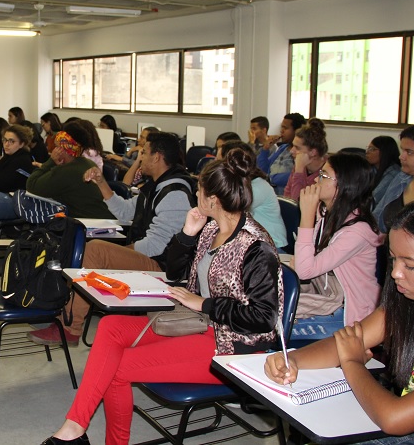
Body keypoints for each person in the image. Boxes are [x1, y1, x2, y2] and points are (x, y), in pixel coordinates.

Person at [41, 148, 284, 445]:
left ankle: (83, 435)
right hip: (199, 325)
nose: (194, 193)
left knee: (117, 369)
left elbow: (263, 319)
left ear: (213, 200)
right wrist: (187, 234)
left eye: (199, 190)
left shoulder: (257, 247)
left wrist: (204, 303)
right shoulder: (210, 228)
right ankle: (75, 427)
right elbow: (174, 274)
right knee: (110, 327)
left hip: (233, 348)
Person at [265, 196, 414, 444]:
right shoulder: (407, 305)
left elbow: (394, 419)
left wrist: (353, 363)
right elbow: (348, 341)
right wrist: (291, 359)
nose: (395, 273)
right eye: (393, 259)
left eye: (410, 266)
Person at [27, 132, 196, 346]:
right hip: (151, 257)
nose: (140, 157)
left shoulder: (175, 193)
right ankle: (64, 317)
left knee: (96, 250)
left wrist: (122, 251)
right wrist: (101, 182)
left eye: (144, 152)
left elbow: (156, 245)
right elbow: (126, 212)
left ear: (157, 157)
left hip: (164, 268)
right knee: (88, 248)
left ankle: (70, 326)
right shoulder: (157, 186)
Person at [290, 153, 383, 340]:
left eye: (324, 175)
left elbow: (304, 271)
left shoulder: (357, 230)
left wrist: (306, 217)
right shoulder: (327, 214)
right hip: (328, 299)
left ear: (345, 185)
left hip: (350, 315)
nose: (316, 179)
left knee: (274, 331)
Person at [26, 124, 114, 220]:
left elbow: (31, 184)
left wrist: (50, 162)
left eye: (56, 146)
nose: (53, 150)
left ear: (63, 148)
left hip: (93, 226)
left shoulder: (67, 171)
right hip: (103, 220)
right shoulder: (87, 163)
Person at [220, 141, 287, 249]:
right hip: (253, 243)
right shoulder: (243, 184)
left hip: (272, 246)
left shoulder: (258, 187)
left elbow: (228, 212)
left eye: (219, 162)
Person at [257, 113, 305, 195]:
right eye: (281, 127)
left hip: (286, 195)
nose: (281, 131)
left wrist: (271, 178)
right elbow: (263, 169)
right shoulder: (282, 148)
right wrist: (265, 149)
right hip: (272, 193)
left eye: (285, 128)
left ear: (297, 130)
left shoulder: (302, 152)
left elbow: (296, 174)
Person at [283, 117, 328, 201]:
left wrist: (299, 172)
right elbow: (287, 198)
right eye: (293, 146)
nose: (292, 151)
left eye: (297, 148)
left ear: (313, 152)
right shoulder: (300, 165)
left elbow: (298, 204)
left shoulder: (326, 172)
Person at [367, 136, 401, 206]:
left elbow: (374, 198)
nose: (367, 152)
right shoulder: (372, 168)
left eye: (372, 149)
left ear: (385, 152)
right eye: (368, 148)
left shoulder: (394, 173)